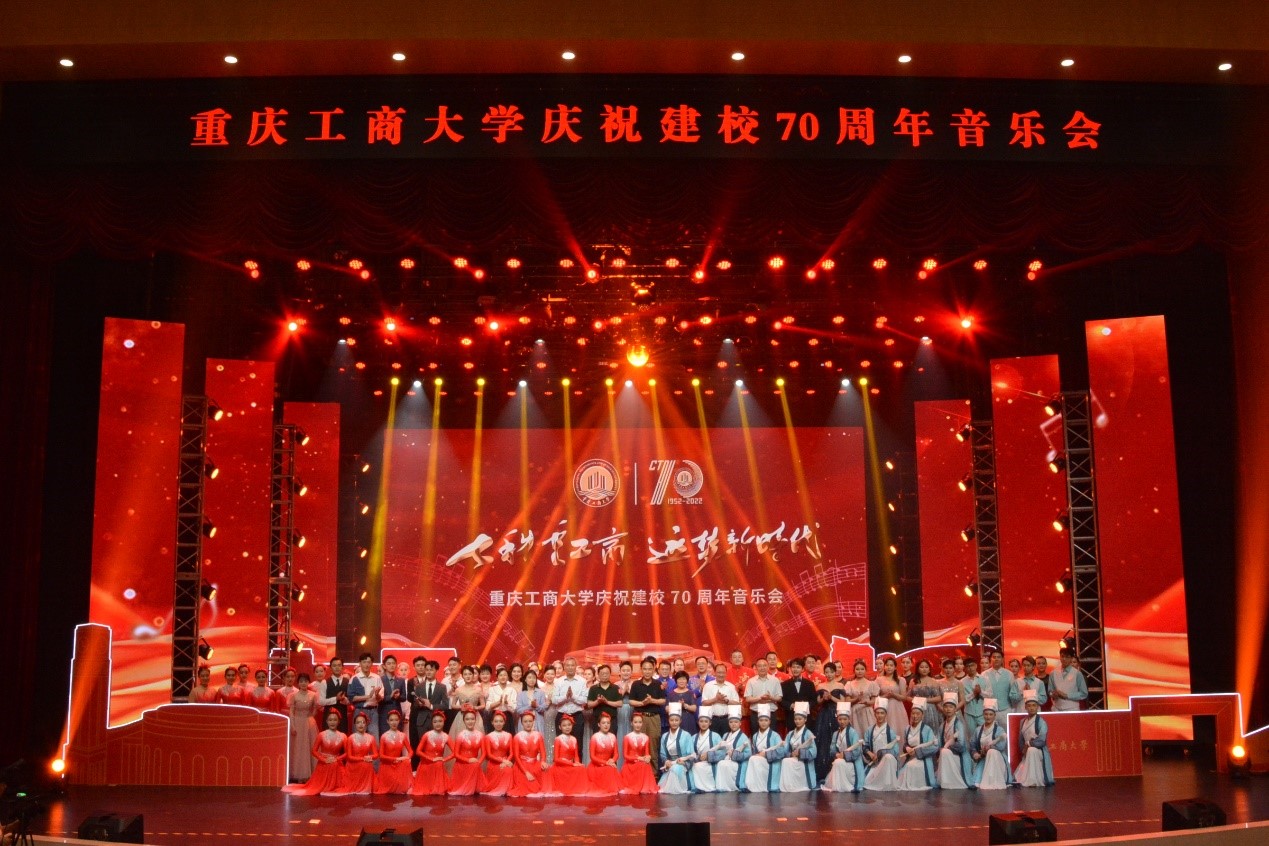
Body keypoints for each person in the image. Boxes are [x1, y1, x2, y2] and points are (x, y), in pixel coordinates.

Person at [285, 708, 346, 795]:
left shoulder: (343, 736)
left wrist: (337, 759)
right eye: (330, 720)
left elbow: (347, 753)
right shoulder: (321, 735)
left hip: (337, 766)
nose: (332, 722)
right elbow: (314, 751)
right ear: (327, 721)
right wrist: (324, 759)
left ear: (339, 721)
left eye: (335, 720)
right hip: (323, 765)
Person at [814, 661, 849, 782]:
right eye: (827, 672)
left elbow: (843, 702)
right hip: (823, 715)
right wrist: (823, 699)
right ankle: (823, 773)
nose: (829, 674)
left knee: (836, 739)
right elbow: (817, 702)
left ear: (835, 672)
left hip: (836, 715)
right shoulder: (820, 686)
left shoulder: (840, 686)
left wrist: (831, 697)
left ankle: (837, 771)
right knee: (823, 741)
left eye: (831, 672)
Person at [1013, 691, 1056, 786]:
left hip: (1039, 750)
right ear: (1025, 707)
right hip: (1027, 751)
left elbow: (1042, 740)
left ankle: (1033, 780)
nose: (1031, 708)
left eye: (1034, 705)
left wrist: (1029, 744)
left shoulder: (1041, 722)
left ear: (1037, 707)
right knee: (1029, 751)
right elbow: (1021, 739)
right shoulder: (1022, 722)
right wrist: (1023, 749)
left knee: (1032, 750)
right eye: (1029, 706)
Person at [629, 658, 666, 768]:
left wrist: (652, 701)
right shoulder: (636, 684)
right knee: (638, 745)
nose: (647, 671)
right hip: (640, 719)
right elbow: (631, 701)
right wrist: (642, 703)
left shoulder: (658, 684)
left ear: (654, 669)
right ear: (641, 669)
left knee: (653, 746)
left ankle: (653, 774)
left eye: (650, 669)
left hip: (654, 718)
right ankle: (639, 771)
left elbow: (663, 701)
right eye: (645, 669)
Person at [821, 702, 865, 793]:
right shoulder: (835, 734)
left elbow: (857, 751)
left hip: (851, 763)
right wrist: (836, 754)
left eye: (845, 719)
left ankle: (846, 785)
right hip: (840, 760)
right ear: (837, 719)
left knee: (838, 762)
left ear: (849, 720)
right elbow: (832, 749)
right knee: (838, 762)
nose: (842, 721)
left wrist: (844, 755)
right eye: (840, 719)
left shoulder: (853, 732)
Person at [970, 699, 1013, 789]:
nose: (988, 717)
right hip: (983, 759)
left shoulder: (999, 730)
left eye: (990, 714)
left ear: (994, 715)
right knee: (976, 783)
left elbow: (1001, 746)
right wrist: (975, 753)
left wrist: (989, 748)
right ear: (983, 715)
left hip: (997, 759)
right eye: (986, 714)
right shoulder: (978, 730)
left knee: (992, 752)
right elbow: (972, 743)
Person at [895, 700, 938, 791]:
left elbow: (935, 747)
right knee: (900, 772)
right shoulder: (907, 729)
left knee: (910, 766)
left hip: (922, 759)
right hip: (910, 757)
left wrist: (917, 751)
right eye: (913, 713)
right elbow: (905, 744)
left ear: (922, 715)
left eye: (918, 714)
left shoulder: (927, 729)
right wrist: (907, 748)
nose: (915, 716)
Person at [936, 693, 976, 790]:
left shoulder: (959, 724)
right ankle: (945, 781)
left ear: (955, 709)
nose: (948, 709)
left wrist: (948, 747)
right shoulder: (942, 726)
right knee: (943, 752)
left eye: (951, 707)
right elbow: (939, 744)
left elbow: (961, 746)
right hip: (946, 754)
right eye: (946, 707)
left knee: (944, 752)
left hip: (959, 755)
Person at [410, 659, 448, 761]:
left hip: (436, 721)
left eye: (431, 670)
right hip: (421, 721)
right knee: (422, 748)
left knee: (436, 747)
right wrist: (419, 704)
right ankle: (423, 768)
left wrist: (431, 706)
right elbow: (415, 704)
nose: (428, 672)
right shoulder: (419, 686)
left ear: (436, 671)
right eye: (427, 670)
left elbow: (445, 705)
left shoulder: (442, 687)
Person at [508, 711, 552, 797]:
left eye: (530, 721)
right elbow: (516, 757)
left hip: (534, 763)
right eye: (525, 721)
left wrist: (543, 761)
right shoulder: (517, 737)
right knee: (529, 785)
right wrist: (526, 772)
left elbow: (543, 752)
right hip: (522, 765)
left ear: (533, 722)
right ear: (521, 723)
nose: (528, 723)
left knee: (546, 769)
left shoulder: (538, 735)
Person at [287, 672, 320, 782]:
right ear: (298, 683)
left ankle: (310, 774)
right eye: (301, 681)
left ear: (308, 682)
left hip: (309, 723)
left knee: (309, 747)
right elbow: (291, 711)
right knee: (298, 748)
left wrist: (310, 718)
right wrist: (292, 725)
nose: (303, 683)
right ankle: (297, 773)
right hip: (297, 722)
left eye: (305, 681)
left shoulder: (313, 695)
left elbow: (315, 709)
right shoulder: (293, 695)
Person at [778, 702, 818, 792]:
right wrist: (790, 754)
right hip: (792, 758)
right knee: (785, 761)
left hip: (803, 761)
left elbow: (814, 752)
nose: (797, 721)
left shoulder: (808, 734)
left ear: (805, 719)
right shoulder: (790, 734)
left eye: (800, 719)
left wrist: (800, 753)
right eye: (796, 719)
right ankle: (788, 785)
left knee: (786, 762)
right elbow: (785, 750)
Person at [548, 713, 591, 796]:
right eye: (564, 725)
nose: (567, 727)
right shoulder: (558, 739)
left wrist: (577, 763)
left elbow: (576, 756)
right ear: (560, 727)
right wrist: (571, 764)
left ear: (572, 726)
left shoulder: (574, 739)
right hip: (561, 765)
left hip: (571, 764)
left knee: (581, 768)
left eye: (569, 725)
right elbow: (556, 759)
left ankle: (576, 789)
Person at [657, 703, 695, 794]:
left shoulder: (686, 735)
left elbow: (692, 754)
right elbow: (662, 754)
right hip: (670, 764)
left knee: (676, 769)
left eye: (676, 720)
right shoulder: (664, 736)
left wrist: (684, 762)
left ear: (680, 721)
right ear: (668, 720)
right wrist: (666, 761)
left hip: (682, 764)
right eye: (672, 720)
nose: (674, 722)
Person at [863, 699, 900, 791]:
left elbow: (895, 751)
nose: (879, 715)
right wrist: (870, 753)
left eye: (882, 713)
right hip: (874, 762)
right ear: (874, 714)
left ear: (886, 714)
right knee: (866, 781)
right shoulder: (869, 730)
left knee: (888, 757)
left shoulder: (890, 731)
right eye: (877, 713)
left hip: (887, 762)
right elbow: (864, 746)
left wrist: (881, 753)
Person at [744, 704, 782, 793]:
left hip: (770, 762)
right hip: (758, 760)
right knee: (752, 759)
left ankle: (753, 786)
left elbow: (781, 751)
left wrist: (766, 754)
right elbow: (753, 751)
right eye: (761, 720)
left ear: (770, 721)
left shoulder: (775, 735)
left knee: (753, 759)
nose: (763, 723)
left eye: (766, 720)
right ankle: (752, 785)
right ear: (758, 721)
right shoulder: (755, 736)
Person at [619, 712, 660, 795]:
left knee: (646, 764)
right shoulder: (627, 737)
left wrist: (648, 757)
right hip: (630, 764)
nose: (638, 725)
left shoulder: (646, 737)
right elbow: (625, 756)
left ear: (642, 723)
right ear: (631, 723)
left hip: (641, 762)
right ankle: (636, 785)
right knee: (642, 764)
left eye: (640, 722)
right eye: (635, 722)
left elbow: (647, 753)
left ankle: (644, 786)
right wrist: (638, 758)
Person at [373, 710, 413, 794]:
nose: (394, 722)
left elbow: (411, 752)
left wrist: (406, 757)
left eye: (396, 720)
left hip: (398, 764)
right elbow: (381, 755)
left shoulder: (403, 735)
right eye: (391, 720)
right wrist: (394, 759)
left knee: (406, 762)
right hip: (388, 765)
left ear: (399, 721)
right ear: (387, 721)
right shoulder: (384, 736)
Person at [447, 710, 485, 796]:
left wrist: (479, 762)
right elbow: (456, 754)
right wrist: (468, 760)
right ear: (464, 721)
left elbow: (484, 753)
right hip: (462, 764)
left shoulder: (480, 735)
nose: (470, 721)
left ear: (475, 720)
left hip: (475, 764)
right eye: (467, 719)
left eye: (472, 719)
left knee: (474, 766)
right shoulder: (460, 735)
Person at [477, 710, 515, 796]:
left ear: (504, 722)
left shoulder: (509, 735)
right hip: (494, 763)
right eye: (496, 721)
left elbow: (511, 753)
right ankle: (500, 789)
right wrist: (503, 761)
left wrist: (506, 761)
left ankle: (506, 789)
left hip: (506, 762)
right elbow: (489, 755)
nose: (498, 723)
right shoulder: (488, 737)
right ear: (492, 723)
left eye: (501, 721)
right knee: (506, 770)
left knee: (508, 769)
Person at [714, 706, 750, 792]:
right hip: (725, 759)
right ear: (728, 723)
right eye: (731, 722)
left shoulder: (744, 737)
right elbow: (721, 750)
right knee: (719, 763)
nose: (733, 724)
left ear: (740, 723)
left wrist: (735, 754)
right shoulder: (725, 735)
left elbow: (748, 754)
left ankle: (726, 786)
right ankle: (721, 786)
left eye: (736, 722)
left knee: (722, 764)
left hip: (737, 762)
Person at [700, 661, 740, 737]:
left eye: (723, 672)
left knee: (726, 740)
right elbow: (704, 703)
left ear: (726, 673)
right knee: (713, 741)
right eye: (719, 672)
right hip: (712, 719)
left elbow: (737, 703)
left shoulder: (731, 686)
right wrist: (716, 699)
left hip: (727, 719)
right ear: (714, 673)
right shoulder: (708, 686)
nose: (721, 675)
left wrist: (726, 701)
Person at [587, 712, 623, 796]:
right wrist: (606, 763)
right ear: (599, 724)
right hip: (597, 766)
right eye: (603, 723)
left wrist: (612, 760)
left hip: (609, 764)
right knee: (609, 769)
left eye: (608, 723)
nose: (606, 725)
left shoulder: (613, 736)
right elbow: (592, 757)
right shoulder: (595, 737)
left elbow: (616, 754)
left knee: (611, 769)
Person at [348, 653, 384, 737]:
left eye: (369, 662)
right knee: (357, 737)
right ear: (360, 663)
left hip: (373, 711)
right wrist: (368, 696)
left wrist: (377, 695)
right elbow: (351, 698)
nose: (366, 665)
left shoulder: (377, 678)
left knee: (374, 737)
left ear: (372, 664)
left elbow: (380, 698)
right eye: (364, 662)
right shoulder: (354, 678)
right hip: (359, 710)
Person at [551, 657, 588, 738]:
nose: (570, 667)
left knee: (577, 743)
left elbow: (585, 700)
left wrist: (573, 696)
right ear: (564, 667)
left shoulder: (582, 681)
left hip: (577, 716)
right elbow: (554, 700)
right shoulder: (558, 681)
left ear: (576, 667)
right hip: (562, 715)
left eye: (572, 665)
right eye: (568, 665)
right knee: (561, 742)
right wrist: (565, 697)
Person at [449, 665, 487, 743]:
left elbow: (483, 705)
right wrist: (461, 707)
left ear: (473, 675)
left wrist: (475, 707)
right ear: (462, 676)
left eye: (470, 674)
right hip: (461, 717)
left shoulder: (478, 689)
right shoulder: (458, 690)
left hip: (475, 717)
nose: (468, 676)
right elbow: (452, 705)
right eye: (465, 674)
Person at [779, 658, 819, 732]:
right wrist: (790, 705)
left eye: (798, 667)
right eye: (793, 667)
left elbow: (814, 700)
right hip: (791, 718)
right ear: (790, 669)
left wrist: (806, 705)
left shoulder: (809, 684)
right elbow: (781, 700)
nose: (795, 669)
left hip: (806, 718)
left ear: (802, 669)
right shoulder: (784, 684)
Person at [689, 713, 724, 792]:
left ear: (710, 723)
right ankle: (698, 787)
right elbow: (690, 753)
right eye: (701, 721)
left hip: (711, 763)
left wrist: (709, 755)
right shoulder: (693, 737)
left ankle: (709, 786)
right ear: (698, 722)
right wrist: (697, 758)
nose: (703, 724)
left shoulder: (716, 736)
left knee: (698, 766)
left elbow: (723, 752)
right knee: (695, 766)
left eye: (706, 721)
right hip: (698, 762)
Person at [743, 658, 783, 727]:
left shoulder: (775, 680)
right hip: (756, 714)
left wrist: (770, 697)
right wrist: (760, 698)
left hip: (771, 713)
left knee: (771, 733)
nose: (762, 668)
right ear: (756, 668)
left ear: (768, 667)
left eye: (764, 665)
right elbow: (748, 699)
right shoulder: (751, 681)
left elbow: (779, 698)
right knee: (756, 733)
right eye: (760, 666)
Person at [875, 656, 909, 736]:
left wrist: (894, 695)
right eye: (887, 665)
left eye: (891, 665)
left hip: (897, 708)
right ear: (884, 666)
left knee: (898, 728)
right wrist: (886, 696)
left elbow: (904, 698)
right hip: (884, 708)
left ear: (895, 667)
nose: (889, 667)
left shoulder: (901, 680)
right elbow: (876, 698)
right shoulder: (879, 680)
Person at [844, 659, 879, 731]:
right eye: (857, 669)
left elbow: (874, 700)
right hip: (855, 711)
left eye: (862, 669)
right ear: (854, 670)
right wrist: (856, 699)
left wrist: (867, 702)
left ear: (865, 670)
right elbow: (847, 700)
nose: (860, 671)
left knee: (868, 731)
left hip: (867, 710)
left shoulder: (871, 684)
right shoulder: (849, 684)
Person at [982, 650, 1020, 715]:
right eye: (994, 657)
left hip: (1006, 710)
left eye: (998, 657)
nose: (996, 659)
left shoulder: (1009, 674)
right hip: (989, 711)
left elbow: (1013, 693)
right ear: (990, 659)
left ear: (1002, 659)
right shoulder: (984, 674)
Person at [909, 659, 943, 730]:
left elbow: (939, 698)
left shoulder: (933, 681)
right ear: (918, 669)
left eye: (926, 667)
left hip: (929, 709)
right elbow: (907, 697)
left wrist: (925, 700)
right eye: (922, 667)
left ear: (929, 669)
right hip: (916, 708)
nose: (924, 669)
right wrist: (917, 700)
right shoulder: (913, 681)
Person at [377, 655, 406, 737]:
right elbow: (378, 699)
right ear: (384, 666)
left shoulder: (401, 680)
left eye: (393, 663)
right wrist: (390, 696)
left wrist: (398, 697)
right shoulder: (380, 679)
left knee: (398, 738)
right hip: (384, 713)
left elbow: (404, 697)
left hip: (397, 712)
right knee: (384, 737)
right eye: (389, 663)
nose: (391, 665)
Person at [319, 658, 351, 733]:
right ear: (330, 667)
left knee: (343, 737)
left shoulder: (348, 682)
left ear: (342, 667)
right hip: (329, 716)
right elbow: (321, 701)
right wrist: (336, 699)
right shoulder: (324, 682)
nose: (337, 668)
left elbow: (350, 701)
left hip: (342, 715)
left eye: (339, 665)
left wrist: (344, 699)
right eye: (334, 666)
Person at [587, 664, 622, 731]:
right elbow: (589, 705)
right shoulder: (593, 688)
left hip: (612, 720)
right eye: (602, 673)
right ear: (598, 675)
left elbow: (620, 703)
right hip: (597, 720)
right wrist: (598, 701)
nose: (605, 675)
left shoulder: (615, 688)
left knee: (612, 737)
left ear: (610, 674)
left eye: (607, 673)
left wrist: (607, 702)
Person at [959, 656, 987, 732]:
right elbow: (963, 699)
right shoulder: (962, 682)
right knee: (970, 735)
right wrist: (974, 693)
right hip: (969, 713)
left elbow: (990, 695)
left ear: (976, 666)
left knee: (984, 734)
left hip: (983, 712)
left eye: (972, 665)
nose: (970, 668)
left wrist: (980, 692)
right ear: (965, 668)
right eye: (968, 666)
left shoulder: (985, 679)